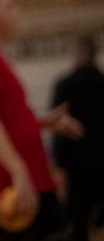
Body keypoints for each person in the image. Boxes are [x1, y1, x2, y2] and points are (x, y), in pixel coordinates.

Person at [0, 0, 79, 240]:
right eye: (10, 6)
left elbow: (6, 117)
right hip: (14, 181)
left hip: (27, 175)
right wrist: (18, 170)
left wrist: (44, 123)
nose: (17, 13)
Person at [51, 35, 104, 241]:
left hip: (75, 162)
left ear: (76, 55)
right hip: (101, 158)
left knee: (78, 217)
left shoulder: (64, 84)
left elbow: (58, 126)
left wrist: (58, 162)